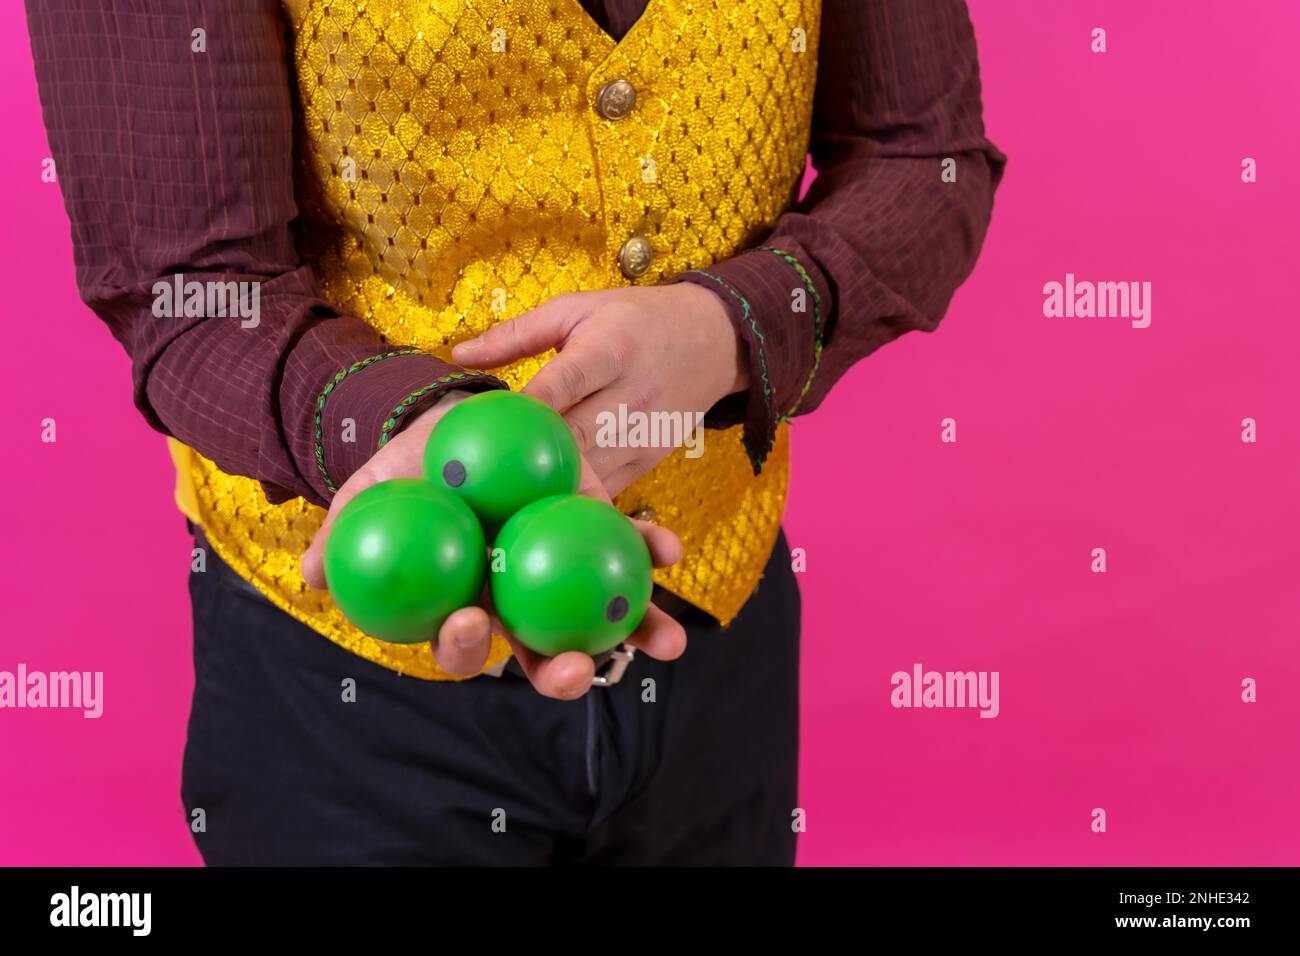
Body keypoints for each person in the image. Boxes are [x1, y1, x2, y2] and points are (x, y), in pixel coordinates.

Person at [28, 0, 1005, 864]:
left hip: (714, 629)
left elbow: (927, 157)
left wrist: (730, 325)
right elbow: (190, 284)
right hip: (344, 690)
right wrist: (419, 431)